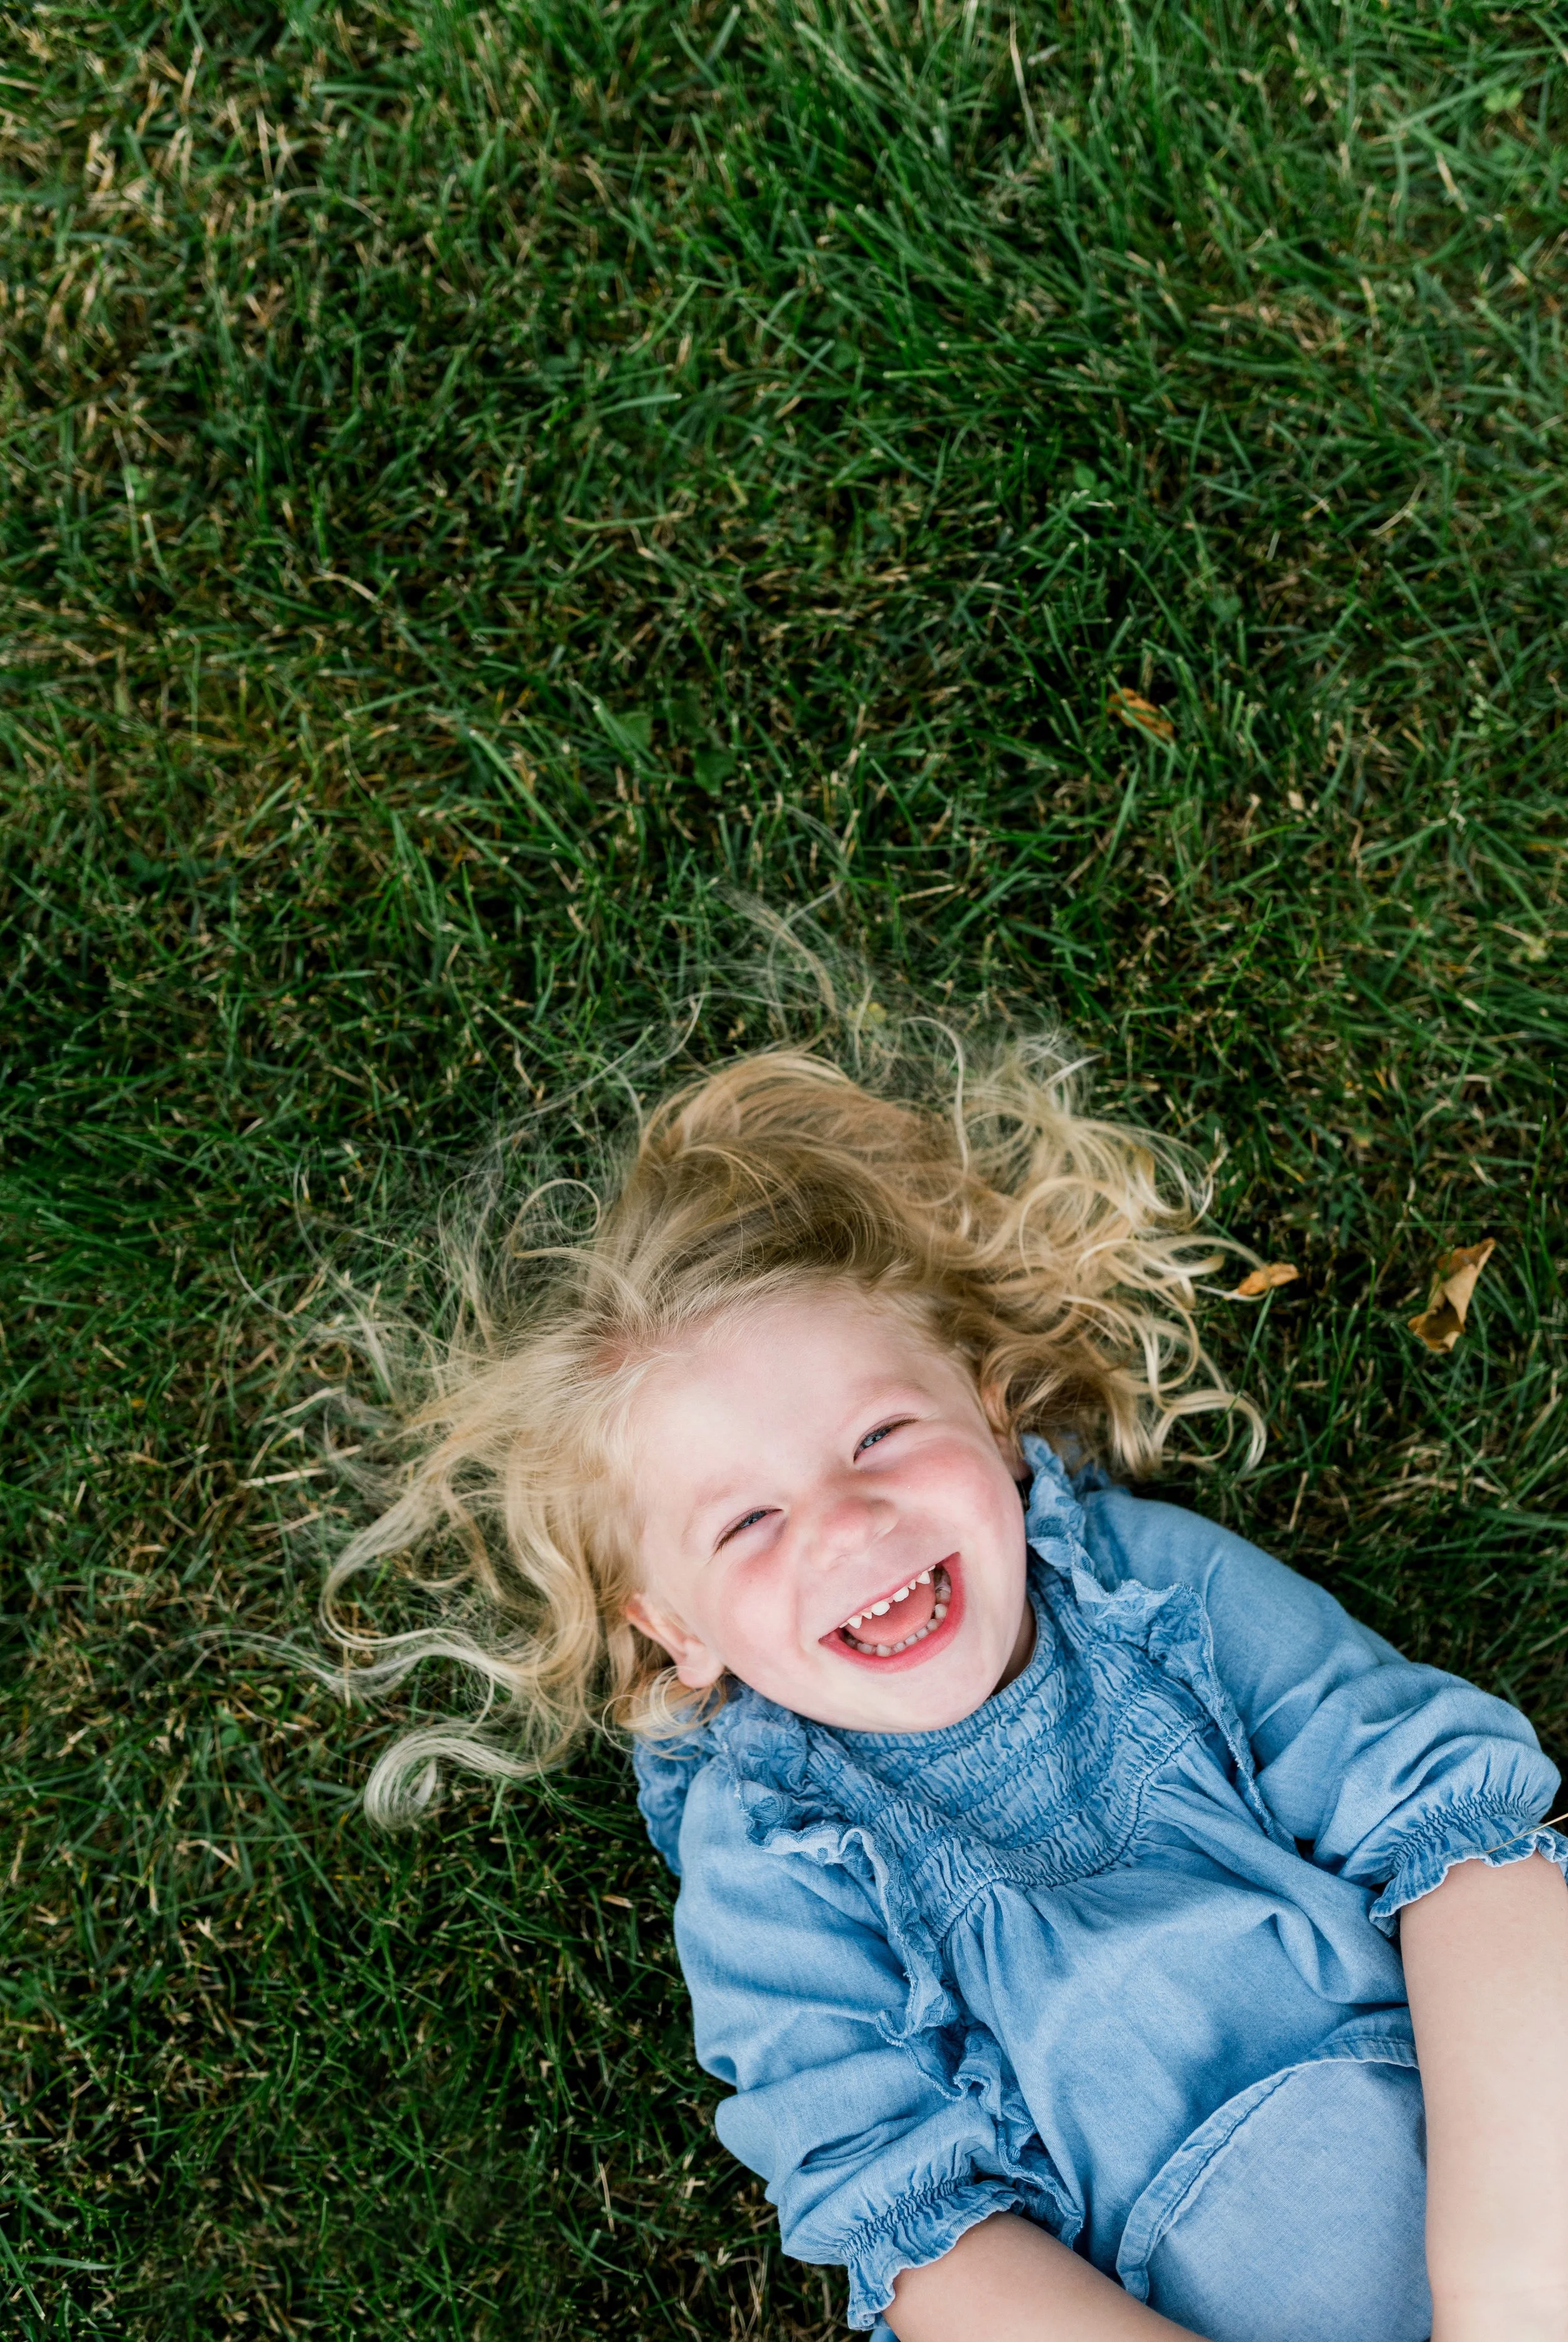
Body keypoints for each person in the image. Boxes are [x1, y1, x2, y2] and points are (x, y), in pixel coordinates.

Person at [324, 1034, 1568, 2342]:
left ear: (988, 1417)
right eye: (746, 1521)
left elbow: (1462, 1848)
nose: (847, 1522)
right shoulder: (767, 1857)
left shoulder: (1145, 1595)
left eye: (877, 1436)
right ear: (674, 1627)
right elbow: (923, 2236)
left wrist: (1508, 2295)